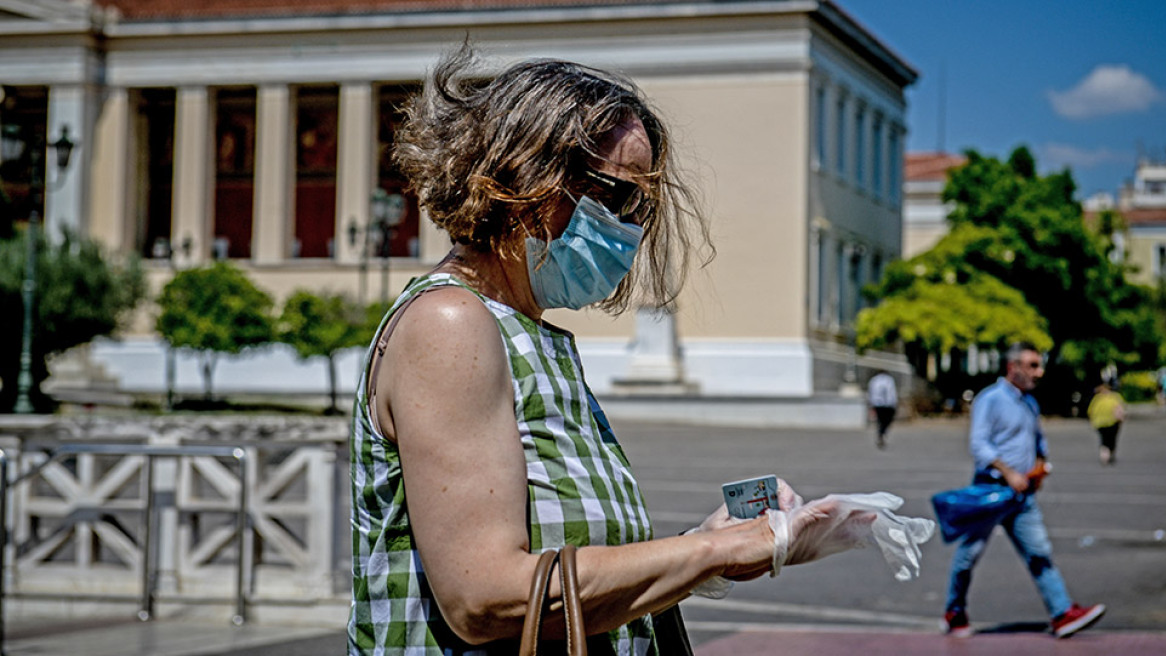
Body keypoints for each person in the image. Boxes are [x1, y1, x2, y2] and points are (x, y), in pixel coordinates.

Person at [347, 46, 888, 655]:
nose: (629, 225)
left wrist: (704, 553)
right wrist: (716, 549)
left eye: (640, 206)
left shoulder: (524, 331)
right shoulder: (452, 324)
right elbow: (485, 598)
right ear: (521, 176)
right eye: (613, 194)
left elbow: (568, 566)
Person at [943, 342, 1105, 639]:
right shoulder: (989, 399)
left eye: (1039, 365)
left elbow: (1037, 440)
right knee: (969, 554)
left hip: (1022, 495)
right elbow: (979, 444)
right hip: (990, 490)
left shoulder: (1029, 402)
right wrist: (1008, 472)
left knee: (1039, 551)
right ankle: (954, 610)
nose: (1039, 372)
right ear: (1012, 367)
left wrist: (1040, 465)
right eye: (1032, 365)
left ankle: (1062, 612)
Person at [1086, 377, 1125, 465]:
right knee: (1112, 439)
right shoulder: (1115, 397)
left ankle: (1104, 454)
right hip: (1113, 422)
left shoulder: (1097, 399)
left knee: (1104, 440)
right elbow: (1120, 409)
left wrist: (1092, 421)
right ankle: (1110, 452)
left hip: (1100, 423)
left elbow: (1090, 411)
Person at [867, 370, 898, 449]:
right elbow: (892, 393)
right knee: (886, 420)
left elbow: (871, 392)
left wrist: (871, 404)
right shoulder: (889, 380)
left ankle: (881, 433)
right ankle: (882, 433)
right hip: (888, 404)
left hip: (878, 403)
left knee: (880, 420)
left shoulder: (874, 380)